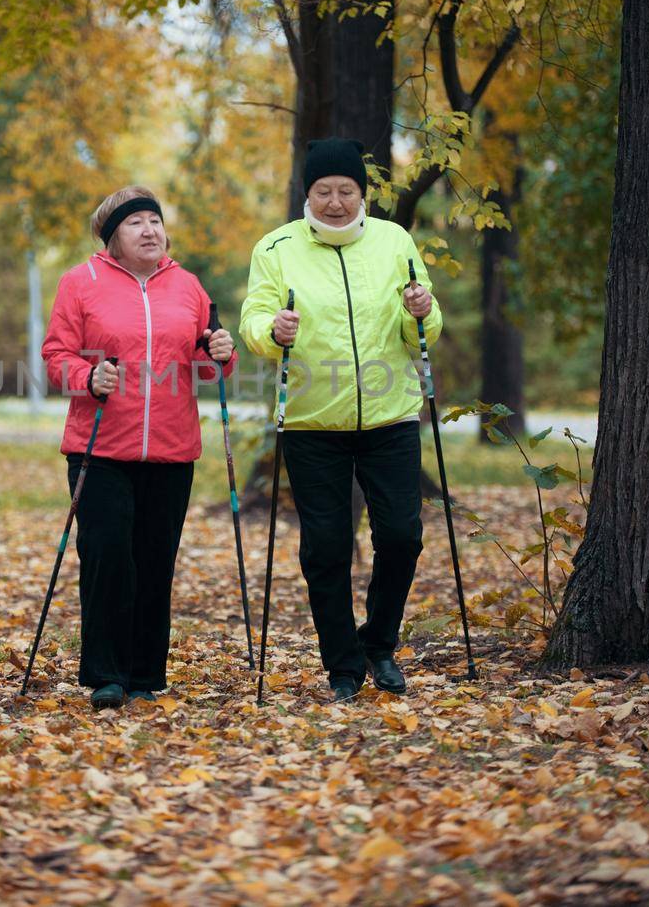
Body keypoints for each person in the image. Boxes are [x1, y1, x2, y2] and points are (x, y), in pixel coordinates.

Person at [239, 138, 442, 701]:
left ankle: (379, 643)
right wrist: (270, 331)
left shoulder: (394, 241)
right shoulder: (276, 248)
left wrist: (423, 310)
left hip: (390, 416)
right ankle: (343, 663)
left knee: (401, 536)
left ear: (363, 193)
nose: (334, 202)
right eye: (323, 191)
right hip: (312, 422)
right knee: (325, 547)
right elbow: (254, 320)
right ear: (308, 193)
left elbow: (423, 322)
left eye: (346, 191)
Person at [42, 185, 236, 710]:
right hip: (100, 447)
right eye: (135, 223)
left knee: (155, 561)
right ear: (112, 239)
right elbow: (56, 355)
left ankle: (146, 675)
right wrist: (87, 376)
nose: (149, 230)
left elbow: (205, 363)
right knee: (108, 557)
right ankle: (106, 673)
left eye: (154, 220)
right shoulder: (79, 283)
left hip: (172, 451)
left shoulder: (188, 286)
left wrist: (221, 352)